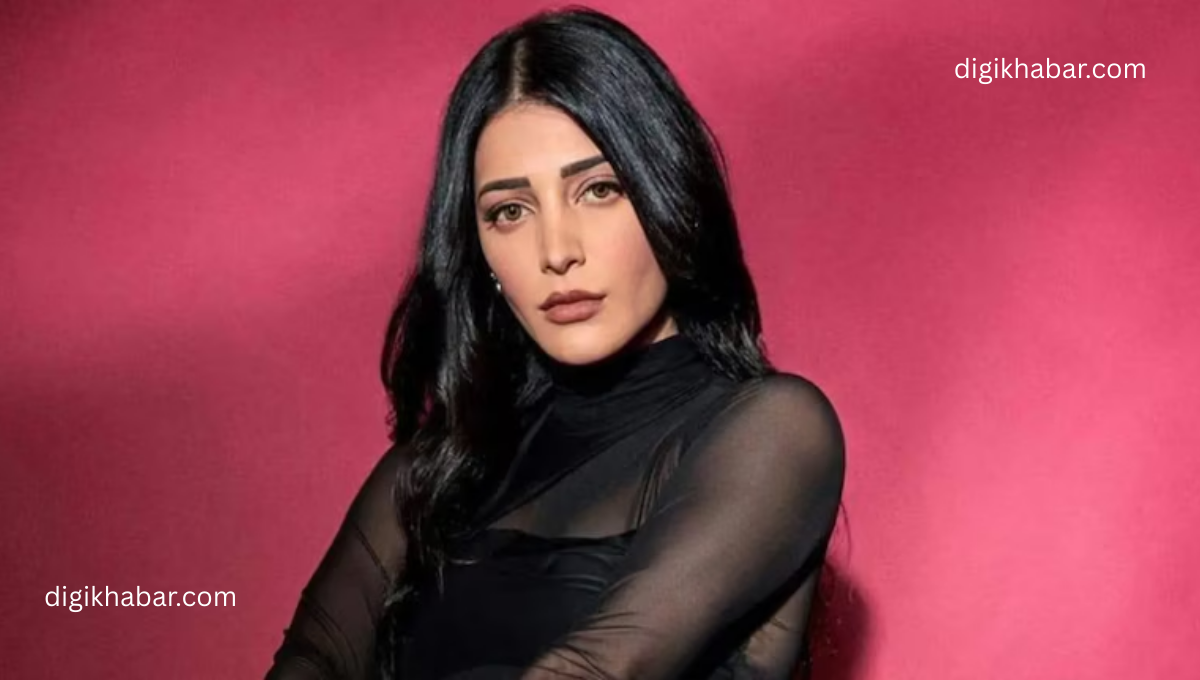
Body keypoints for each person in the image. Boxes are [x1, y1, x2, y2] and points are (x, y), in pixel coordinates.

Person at [265, 6, 846, 679]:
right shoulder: (433, 472)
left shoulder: (772, 431)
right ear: (479, 248)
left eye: (599, 190)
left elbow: (596, 671)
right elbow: (311, 663)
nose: (557, 251)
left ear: (669, 197)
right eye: (510, 211)